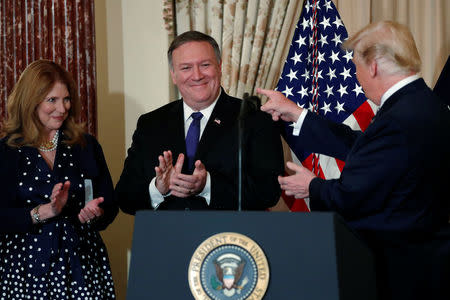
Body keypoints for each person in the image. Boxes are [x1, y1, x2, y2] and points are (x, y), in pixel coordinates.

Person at [258, 21, 450, 300]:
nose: (357, 77)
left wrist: (311, 186)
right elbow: (367, 148)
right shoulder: (426, 104)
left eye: (356, 66)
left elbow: (353, 198)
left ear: (373, 66)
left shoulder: (399, 117)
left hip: (402, 271)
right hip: (427, 263)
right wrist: (298, 113)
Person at [115, 31, 284, 212]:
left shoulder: (254, 119)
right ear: (173, 74)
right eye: (186, 68)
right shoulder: (151, 124)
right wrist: (158, 189)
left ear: (219, 67)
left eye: (205, 65)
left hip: (227, 237)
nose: (197, 76)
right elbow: (125, 197)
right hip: (166, 237)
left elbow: (269, 191)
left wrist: (208, 185)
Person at [0, 59, 118, 299]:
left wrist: (94, 214)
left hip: (83, 267)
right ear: (29, 102)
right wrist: (43, 211)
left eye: (66, 99)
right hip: (25, 271)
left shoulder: (86, 146)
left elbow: (110, 204)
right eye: (51, 100)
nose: (62, 108)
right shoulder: (7, 151)